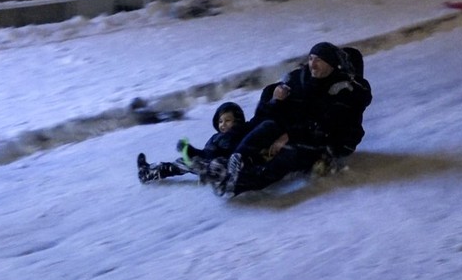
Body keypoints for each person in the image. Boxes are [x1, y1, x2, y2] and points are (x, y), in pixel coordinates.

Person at [208, 42, 372, 197]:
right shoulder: (305, 80)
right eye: (310, 59)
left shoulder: (345, 91)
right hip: (305, 132)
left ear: (332, 64)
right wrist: (275, 100)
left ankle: (240, 184)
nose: (312, 65)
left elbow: (326, 125)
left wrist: (288, 136)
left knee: (291, 153)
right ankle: (233, 157)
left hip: (332, 142)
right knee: (267, 126)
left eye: (319, 60)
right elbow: (268, 114)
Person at [136, 101, 249, 183]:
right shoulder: (217, 137)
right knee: (180, 163)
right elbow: (206, 152)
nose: (223, 124)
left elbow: (216, 154)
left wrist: (191, 151)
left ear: (238, 121)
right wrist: (191, 151)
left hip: (220, 167)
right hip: (206, 163)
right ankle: (148, 171)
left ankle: (150, 172)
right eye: (220, 121)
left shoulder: (234, 136)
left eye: (228, 120)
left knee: (192, 162)